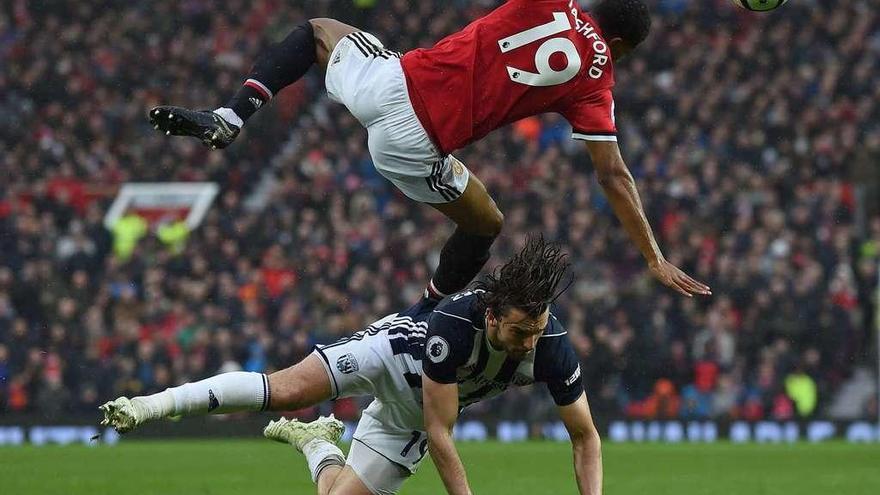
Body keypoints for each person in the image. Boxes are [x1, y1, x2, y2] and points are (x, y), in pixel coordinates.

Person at [149, 0, 711, 299]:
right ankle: (428, 311)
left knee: (319, 30)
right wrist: (653, 258)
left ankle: (232, 114)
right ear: (617, 45)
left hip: (389, 81)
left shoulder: (548, 3)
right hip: (414, 144)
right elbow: (613, 176)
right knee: (486, 224)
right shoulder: (597, 80)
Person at [101, 236, 603, 494]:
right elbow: (443, 431)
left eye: (536, 330)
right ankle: (153, 405)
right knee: (289, 389)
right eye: (519, 331)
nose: (528, 341)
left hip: (412, 416)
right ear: (493, 314)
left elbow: (585, 436)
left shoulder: (549, 344)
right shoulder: (455, 323)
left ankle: (317, 443)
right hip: (391, 354)